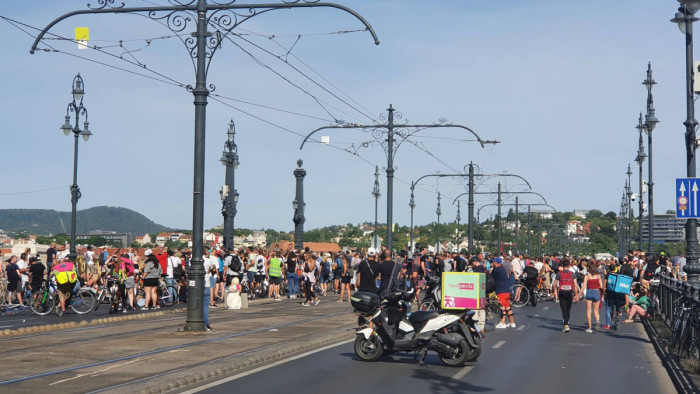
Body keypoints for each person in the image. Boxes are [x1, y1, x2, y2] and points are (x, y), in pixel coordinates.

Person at [554, 259, 580, 333]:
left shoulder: (559, 273)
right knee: (568, 309)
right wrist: (576, 295)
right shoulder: (572, 274)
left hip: (562, 293)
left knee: (563, 309)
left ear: (562, 265)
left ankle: (566, 325)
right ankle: (566, 322)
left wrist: (555, 292)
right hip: (569, 293)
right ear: (569, 266)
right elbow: (575, 285)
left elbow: (554, 284)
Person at [577, 259, 602, 332]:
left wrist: (578, 295)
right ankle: (597, 321)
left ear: (589, 268)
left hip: (589, 292)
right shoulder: (598, 276)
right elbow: (601, 286)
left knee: (588, 311)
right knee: (596, 311)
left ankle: (590, 327)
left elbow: (583, 287)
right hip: (596, 292)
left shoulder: (587, 276)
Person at [491, 257, 515, 328]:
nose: (492, 263)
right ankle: (512, 322)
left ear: (496, 262)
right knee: (507, 307)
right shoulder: (502, 269)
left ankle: (503, 322)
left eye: (493, 262)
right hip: (507, 290)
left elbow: (490, 277)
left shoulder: (496, 270)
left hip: (501, 291)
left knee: (502, 307)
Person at [203, 251, 214, 331]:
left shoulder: (192, 260)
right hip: (206, 284)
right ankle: (205, 324)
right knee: (205, 306)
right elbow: (210, 269)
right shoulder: (208, 260)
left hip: (196, 286)